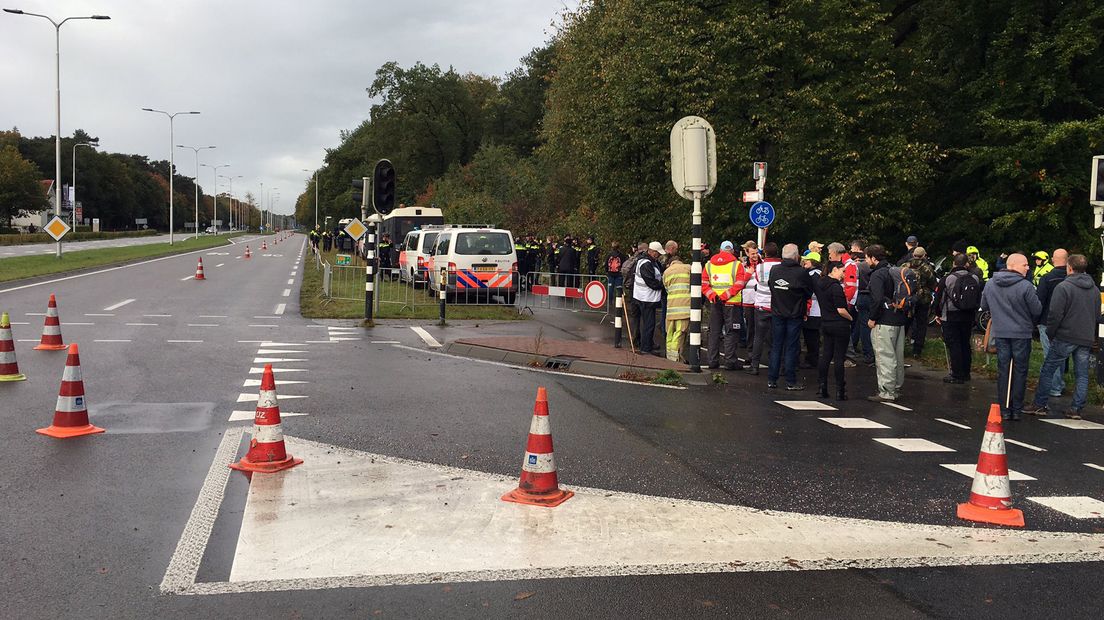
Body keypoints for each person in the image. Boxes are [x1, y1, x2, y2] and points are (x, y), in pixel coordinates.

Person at [1023, 254, 1099, 420]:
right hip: (1085, 336)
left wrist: (1051, 333)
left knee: (1048, 369)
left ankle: (1040, 404)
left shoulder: (1064, 287)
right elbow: (1096, 314)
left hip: (1065, 335)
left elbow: (1055, 314)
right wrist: (1092, 336)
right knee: (1082, 374)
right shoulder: (1094, 289)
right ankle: (1076, 409)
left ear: (1069, 268)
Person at [981, 253, 1042, 421]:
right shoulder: (1026, 286)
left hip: (1000, 332)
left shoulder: (991, 284)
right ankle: (1016, 408)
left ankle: (1004, 407)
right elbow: (1037, 310)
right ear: (1013, 265)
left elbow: (984, 305)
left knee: (1004, 370)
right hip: (1021, 333)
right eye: (1025, 264)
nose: (1028, 267)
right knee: (1020, 370)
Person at [767, 243, 814, 390]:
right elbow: (808, 292)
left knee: (776, 346)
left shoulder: (775, 270)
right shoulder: (801, 272)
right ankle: (790, 381)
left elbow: (771, 286)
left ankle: (772, 379)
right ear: (796, 256)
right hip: (795, 312)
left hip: (777, 312)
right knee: (791, 347)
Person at [866, 244, 908, 402]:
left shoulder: (878, 274)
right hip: (899, 318)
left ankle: (886, 391)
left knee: (885, 356)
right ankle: (896, 388)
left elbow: (877, 299)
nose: (866, 260)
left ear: (873, 258)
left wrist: (872, 318)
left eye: (867, 257)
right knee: (898, 356)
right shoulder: (894, 270)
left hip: (884, 320)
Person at [933, 253, 981, 384]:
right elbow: (978, 297)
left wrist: (937, 313)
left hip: (951, 315)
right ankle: (966, 372)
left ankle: (957, 374)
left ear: (954, 263)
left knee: (954, 345)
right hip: (969, 315)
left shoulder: (947, 279)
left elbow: (938, 299)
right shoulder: (975, 278)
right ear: (967, 264)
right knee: (965, 343)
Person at [702, 240, 750, 370]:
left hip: (714, 302)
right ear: (732, 251)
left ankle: (712, 361)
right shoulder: (736, 265)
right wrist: (725, 296)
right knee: (731, 332)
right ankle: (730, 361)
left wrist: (714, 296)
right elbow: (740, 283)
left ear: (720, 250)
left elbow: (704, 284)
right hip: (732, 303)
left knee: (714, 332)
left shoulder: (709, 265)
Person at [816, 260, 853, 400]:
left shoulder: (820, 284)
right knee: (839, 357)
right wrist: (851, 318)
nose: (844, 275)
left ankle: (822, 387)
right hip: (839, 324)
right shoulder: (836, 287)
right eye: (842, 271)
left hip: (825, 322)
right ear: (834, 270)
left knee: (826, 355)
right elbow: (841, 310)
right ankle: (840, 390)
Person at [1036, 249, 1069, 397]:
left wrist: (1035, 321)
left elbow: (1039, 302)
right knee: (1060, 354)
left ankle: (1054, 387)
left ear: (1053, 260)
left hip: (1047, 322)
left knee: (1050, 355)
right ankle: (1059, 383)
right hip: (1067, 323)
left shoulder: (1047, 278)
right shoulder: (1072, 279)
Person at [747, 242, 782, 375]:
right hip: (776, 305)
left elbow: (757, 280)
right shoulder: (781, 266)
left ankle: (754, 366)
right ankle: (776, 366)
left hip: (761, 304)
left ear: (765, 253)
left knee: (759, 337)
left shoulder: (760, 267)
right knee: (777, 337)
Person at [633, 242, 666, 355]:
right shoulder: (646, 264)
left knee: (648, 323)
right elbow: (651, 283)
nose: (659, 256)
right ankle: (646, 349)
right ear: (652, 251)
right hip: (646, 298)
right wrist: (664, 285)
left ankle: (647, 345)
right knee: (649, 324)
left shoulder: (650, 261)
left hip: (645, 297)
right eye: (657, 253)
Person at [905, 246, 936, 356]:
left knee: (906, 322)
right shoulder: (927, 268)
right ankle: (917, 350)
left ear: (913, 255)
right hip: (923, 299)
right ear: (924, 256)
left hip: (908, 298)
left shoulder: (906, 265)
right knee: (921, 324)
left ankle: (900, 346)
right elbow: (932, 282)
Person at [662, 246, 691, 362]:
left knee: (669, 333)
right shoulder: (688, 268)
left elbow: (666, 289)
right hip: (684, 308)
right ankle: (676, 358)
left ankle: (669, 356)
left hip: (671, 308)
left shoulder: (666, 272)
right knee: (680, 333)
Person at [850, 240, 874, 364]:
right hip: (870, 295)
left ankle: (864, 351)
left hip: (860, 295)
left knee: (860, 323)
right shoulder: (871, 266)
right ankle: (867, 352)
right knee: (863, 324)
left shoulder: (857, 266)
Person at [621, 242, 648, 347]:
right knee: (646, 316)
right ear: (645, 250)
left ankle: (635, 338)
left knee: (635, 315)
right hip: (641, 291)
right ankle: (645, 341)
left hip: (632, 289)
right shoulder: (643, 260)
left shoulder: (631, 259)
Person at [800, 251, 822, 369]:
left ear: (813, 262)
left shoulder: (812, 275)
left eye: (807, 260)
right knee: (812, 336)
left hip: (813, 309)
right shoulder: (818, 273)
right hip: (815, 309)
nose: (804, 262)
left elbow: (811, 293)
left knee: (811, 336)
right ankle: (812, 358)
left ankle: (812, 360)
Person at [740, 241, 760, 349]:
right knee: (750, 328)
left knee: (762, 329)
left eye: (756, 253)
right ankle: (751, 353)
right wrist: (748, 274)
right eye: (752, 254)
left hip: (761, 301)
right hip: (748, 301)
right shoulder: (743, 266)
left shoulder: (762, 264)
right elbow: (739, 284)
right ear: (747, 253)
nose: (755, 256)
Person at [605, 241, 627, 314]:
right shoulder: (621, 256)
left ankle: (610, 303)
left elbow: (606, 264)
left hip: (610, 274)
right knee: (619, 289)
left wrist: (607, 272)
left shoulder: (609, 255)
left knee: (610, 289)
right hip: (619, 275)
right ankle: (619, 302)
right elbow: (624, 265)